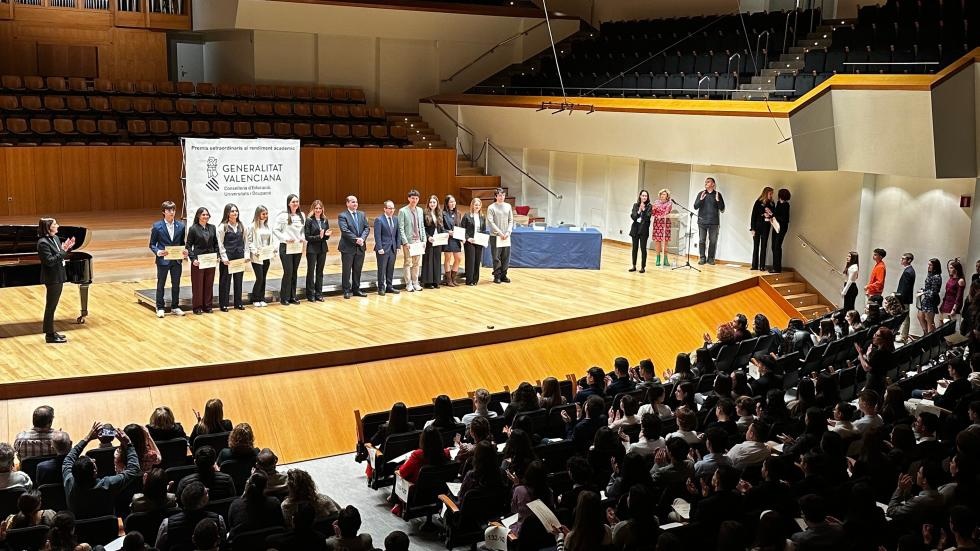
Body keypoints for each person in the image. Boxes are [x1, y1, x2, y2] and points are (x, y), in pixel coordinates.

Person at [63, 422, 140, 517]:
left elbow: (68, 459)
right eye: (93, 462)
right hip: (107, 526)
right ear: (94, 473)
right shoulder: (107, 485)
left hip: (80, 526)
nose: (94, 459)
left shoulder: (69, 482)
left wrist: (88, 438)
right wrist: (129, 444)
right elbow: (134, 470)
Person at [155, 481, 226, 551]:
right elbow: (223, 544)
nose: (208, 489)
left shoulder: (167, 524)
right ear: (202, 503)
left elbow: (158, 548)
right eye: (206, 492)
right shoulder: (218, 520)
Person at [37, 217, 74, 343]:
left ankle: (51, 331)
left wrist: (66, 249)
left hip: (59, 275)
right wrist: (63, 251)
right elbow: (49, 261)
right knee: (51, 307)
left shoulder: (56, 238)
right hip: (52, 278)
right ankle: (49, 335)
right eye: (55, 224)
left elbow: (59, 254)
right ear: (48, 228)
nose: (57, 225)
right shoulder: (43, 243)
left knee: (53, 306)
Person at [149, 200, 187, 318]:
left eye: (173, 210)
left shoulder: (181, 226)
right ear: (163, 212)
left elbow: (182, 243)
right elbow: (152, 244)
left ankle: (175, 306)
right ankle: (160, 307)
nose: (171, 212)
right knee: (161, 284)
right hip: (163, 260)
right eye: (169, 210)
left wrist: (184, 251)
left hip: (176, 260)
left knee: (176, 284)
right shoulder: (157, 226)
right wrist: (158, 252)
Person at [227, 472, 283, 537]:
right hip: (271, 541)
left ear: (247, 486)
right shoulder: (275, 502)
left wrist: (244, 493)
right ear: (266, 487)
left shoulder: (235, 505)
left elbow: (231, 526)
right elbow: (281, 523)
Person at [273, 194, 306, 305]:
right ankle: (284, 297)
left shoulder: (301, 215)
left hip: (297, 247)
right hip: (286, 247)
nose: (295, 203)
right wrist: (285, 238)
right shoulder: (283, 216)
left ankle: (293, 296)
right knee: (288, 272)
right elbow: (275, 230)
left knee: (294, 272)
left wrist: (302, 238)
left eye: (297, 201)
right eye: (293, 202)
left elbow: (303, 231)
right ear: (288, 203)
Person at [185, 207, 218, 315]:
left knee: (209, 284)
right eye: (203, 214)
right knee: (198, 285)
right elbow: (188, 246)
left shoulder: (212, 227)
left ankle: (207, 306)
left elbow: (216, 244)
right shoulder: (193, 229)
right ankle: (197, 307)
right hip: (198, 261)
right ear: (198, 216)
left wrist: (217, 255)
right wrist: (193, 259)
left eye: (207, 214)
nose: (205, 216)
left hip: (210, 260)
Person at [338, 195, 369, 299]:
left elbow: (366, 228)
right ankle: (346, 290)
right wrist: (356, 239)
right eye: (352, 202)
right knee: (347, 270)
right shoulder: (343, 216)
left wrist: (362, 239)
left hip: (360, 247)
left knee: (357, 269)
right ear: (347, 203)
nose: (355, 204)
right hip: (348, 247)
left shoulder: (362, 214)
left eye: (356, 202)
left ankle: (356, 289)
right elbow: (344, 230)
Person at [216, 203, 246, 311]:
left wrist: (246, 255)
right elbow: (220, 243)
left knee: (238, 280)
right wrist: (224, 257)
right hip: (227, 258)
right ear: (227, 213)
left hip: (239, 256)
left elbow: (245, 241)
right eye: (232, 211)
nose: (235, 213)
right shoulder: (223, 226)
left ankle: (238, 303)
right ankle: (223, 304)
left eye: (236, 211)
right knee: (225, 281)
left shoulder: (241, 225)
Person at [303, 199, 331, 303]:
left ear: (322, 209)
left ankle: (319, 294)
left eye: (320, 208)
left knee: (320, 272)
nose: (318, 210)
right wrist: (319, 237)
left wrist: (326, 235)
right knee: (311, 272)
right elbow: (307, 237)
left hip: (322, 248)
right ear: (313, 209)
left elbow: (325, 237)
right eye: (316, 208)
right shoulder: (309, 220)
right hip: (312, 249)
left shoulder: (325, 220)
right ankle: (310, 294)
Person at [398, 189, 425, 292]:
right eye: (413, 198)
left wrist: (424, 240)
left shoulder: (420, 210)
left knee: (416, 263)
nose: (414, 200)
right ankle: (408, 284)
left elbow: (421, 226)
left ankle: (415, 282)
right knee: (408, 263)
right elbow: (401, 228)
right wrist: (405, 242)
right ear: (409, 198)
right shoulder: (403, 211)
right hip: (409, 242)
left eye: (416, 198)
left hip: (418, 241)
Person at [693, 177, 725, 265]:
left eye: (708, 182)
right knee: (701, 240)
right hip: (702, 222)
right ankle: (702, 258)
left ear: (713, 184)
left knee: (713, 241)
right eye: (705, 182)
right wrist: (701, 199)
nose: (706, 183)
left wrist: (718, 201)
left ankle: (710, 259)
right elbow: (695, 206)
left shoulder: (718, 194)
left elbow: (722, 208)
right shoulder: (701, 194)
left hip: (714, 222)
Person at [246, 205, 274, 307]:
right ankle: (255, 298)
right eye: (263, 214)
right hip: (257, 256)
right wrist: (255, 251)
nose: (265, 215)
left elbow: (271, 240)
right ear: (258, 214)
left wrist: (272, 249)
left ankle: (261, 298)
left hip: (266, 255)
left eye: (266, 214)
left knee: (264, 277)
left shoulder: (268, 226)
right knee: (260, 278)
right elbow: (249, 241)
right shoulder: (251, 227)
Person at [487, 187, 514, 283]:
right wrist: (500, 233)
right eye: (499, 195)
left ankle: (504, 275)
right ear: (496, 196)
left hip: (506, 236)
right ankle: (497, 275)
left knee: (506, 256)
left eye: (503, 195)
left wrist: (508, 232)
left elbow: (511, 220)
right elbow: (490, 222)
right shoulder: (491, 207)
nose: (501, 197)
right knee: (496, 256)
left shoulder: (508, 206)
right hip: (495, 236)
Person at [373, 200, 400, 296]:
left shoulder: (396, 219)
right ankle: (381, 288)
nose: (392, 210)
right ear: (385, 209)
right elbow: (377, 235)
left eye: (393, 208)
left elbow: (398, 234)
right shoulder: (379, 220)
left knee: (390, 268)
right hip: (383, 249)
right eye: (390, 208)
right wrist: (379, 247)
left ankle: (389, 286)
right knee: (382, 269)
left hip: (393, 248)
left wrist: (398, 246)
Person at [462, 197, 487, 286]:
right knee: (470, 260)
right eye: (476, 205)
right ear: (472, 205)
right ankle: (469, 280)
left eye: (479, 205)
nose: (477, 206)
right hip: (470, 242)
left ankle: (475, 279)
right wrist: (468, 238)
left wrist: (483, 240)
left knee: (477, 260)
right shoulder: (467, 216)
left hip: (479, 241)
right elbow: (462, 229)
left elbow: (483, 230)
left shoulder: (482, 217)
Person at [420, 194, 445, 288]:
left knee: (437, 259)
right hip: (429, 240)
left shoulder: (439, 213)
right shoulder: (424, 213)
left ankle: (436, 281)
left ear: (437, 203)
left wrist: (444, 235)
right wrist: (428, 237)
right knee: (428, 260)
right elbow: (422, 228)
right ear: (428, 203)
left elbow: (441, 227)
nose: (432, 204)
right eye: (430, 202)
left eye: (434, 202)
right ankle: (428, 282)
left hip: (438, 240)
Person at [749, 186, 774, 271]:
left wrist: (769, 215)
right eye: (770, 193)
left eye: (772, 194)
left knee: (764, 246)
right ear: (766, 193)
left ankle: (762, 266)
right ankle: (754, 265)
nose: (771, 195)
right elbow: (753, 216)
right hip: (757, 227)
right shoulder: (758, 202)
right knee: (756, 246)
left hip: (766, 227)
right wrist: (752, 228)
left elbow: (773, 215)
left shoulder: (772, 203)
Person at [629, 189, 653, 272]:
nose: (644, 197)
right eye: (643, 195)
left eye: (646, 196)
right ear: (640, 196)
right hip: (635, 229)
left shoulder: (649, 206)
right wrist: (639, 210)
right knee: (634, 248)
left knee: (643, 249)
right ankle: (634, 266)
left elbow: (647, 217)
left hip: (644, 230)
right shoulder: (635, 205)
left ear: (647, 197)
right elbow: (633, 217)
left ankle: (643, 267)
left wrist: (644, 209)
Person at [917, 257, 943, 335]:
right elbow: (928, 288)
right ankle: (926, 334)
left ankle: (930, 337)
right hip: (926, 299)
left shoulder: (937, 277)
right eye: (928, 265)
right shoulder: (930, 274)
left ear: (935, 266)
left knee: (930, 321)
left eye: (930, 265)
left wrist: (923, 292)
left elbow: (934, 291)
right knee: (920, 316)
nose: (928, 266)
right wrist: (922, 290)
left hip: (932, 300)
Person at [895, 252, 916, 342]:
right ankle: (903, 335)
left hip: (904, 299)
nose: (901, 260)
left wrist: (899, 299)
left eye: (903, 259)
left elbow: (905, 288)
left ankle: (903, 336)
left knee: (905, 318)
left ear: (909, 260)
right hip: (905, 298)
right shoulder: (909, 270)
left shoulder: (908, 271)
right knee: (905, 317)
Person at [442, 194, 463, 286]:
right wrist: (448, 232)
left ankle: (453, 278)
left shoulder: (458, 213)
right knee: (448, 258)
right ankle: (448, 280)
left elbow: (460, 227)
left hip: (456, 238)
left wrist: (462, 238)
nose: (453, 203)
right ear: (447, 203)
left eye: (454, 201)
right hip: (448, 239)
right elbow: (441, 228)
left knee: (458, 258)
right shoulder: (443, 214)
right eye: (451, 202)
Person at [940, 258, 966, 324]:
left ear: (956, 269)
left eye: (951, 268)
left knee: (948, 325)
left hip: (952, 305)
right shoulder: (951, 278)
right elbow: (947, 293)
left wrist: (954, 309)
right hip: (946, 303)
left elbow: (959, 296)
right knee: (942, 323)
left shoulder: (960, 280)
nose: (949, 269)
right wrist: (942, 305)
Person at [651, 188, 673, 268]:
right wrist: (654, 209)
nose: (662, 196)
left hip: (665, 224)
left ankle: (665, 259)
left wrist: (657, 209)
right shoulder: (656, 202)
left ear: (667, 196)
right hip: (657, 224)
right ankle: (658, 258)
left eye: (664, 194)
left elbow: (666, 212)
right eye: (661, 194)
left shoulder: (669, 203)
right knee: (657, 242)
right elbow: (653, 213)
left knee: (665, 243)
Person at [770, 188, 790, 273]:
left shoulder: (786, 205)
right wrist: (771, 214)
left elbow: (785, 219)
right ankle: (775, 267)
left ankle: (777, 268)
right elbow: (775, 214)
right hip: (775, 226)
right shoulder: (778, 203)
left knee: (777, 247)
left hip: (782, 228)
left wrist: (773, 215)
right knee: (773, 246)